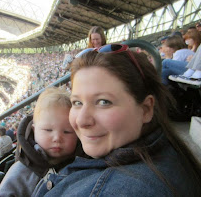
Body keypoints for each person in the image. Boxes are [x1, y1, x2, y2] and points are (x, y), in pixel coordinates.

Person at [32, 44, 201, 196]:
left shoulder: (112, 191)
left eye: (103, 102)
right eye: (77, 102)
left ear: (146, 109)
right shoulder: (168, 152)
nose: (82, 120)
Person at [0, 87, 79, 197]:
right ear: (34, 131)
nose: (57, 138)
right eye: (48, 130)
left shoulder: (85, 163)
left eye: (67, 132)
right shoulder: (20, 172)